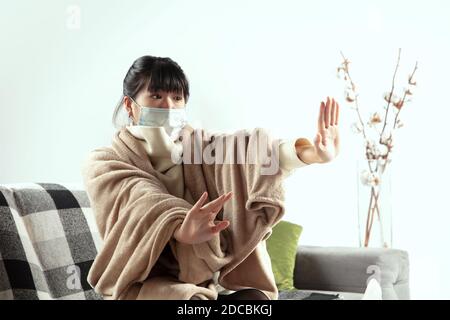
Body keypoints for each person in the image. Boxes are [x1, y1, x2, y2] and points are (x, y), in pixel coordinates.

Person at [88, 55, 340, 300]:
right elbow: (141, 196)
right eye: (156, 96)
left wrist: (310, 154)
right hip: (145, 283)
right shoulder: (106, 162)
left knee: (256, 300)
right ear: (130, 105)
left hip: (204, 278)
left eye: (177, 98)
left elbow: (248, 152)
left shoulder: (199, 147)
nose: (168, 106)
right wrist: (178, 227)